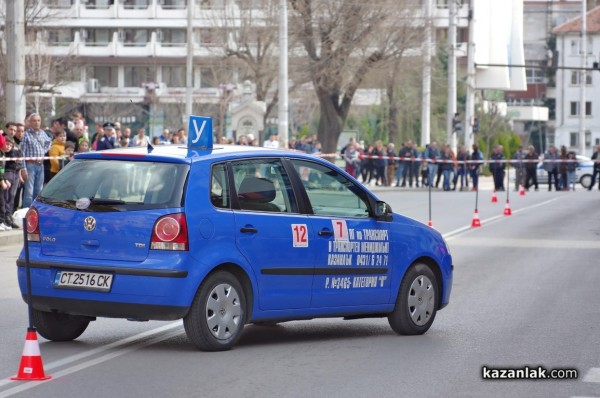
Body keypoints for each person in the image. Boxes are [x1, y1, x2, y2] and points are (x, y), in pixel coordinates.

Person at [21, 113, 53, 208]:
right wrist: (23, 168)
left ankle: (35, 211)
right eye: (34, 121)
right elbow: (22, 152)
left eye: (38, 120)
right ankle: (26, 212)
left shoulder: (43, 133)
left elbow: (49, 141)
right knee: (29, 192)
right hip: (30, 165)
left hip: (41, 165)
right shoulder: (26, 134)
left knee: (38, 191)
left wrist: (44, 150)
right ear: (30, 122)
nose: (36, 123)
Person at [2, 134, 22, 229]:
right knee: (6, 197)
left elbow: (20, 161)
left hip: (15, 174)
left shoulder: (14, 151)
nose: (9, 147)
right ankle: (4, 218)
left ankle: (9, 217)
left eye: (11, 145)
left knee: (12, 197)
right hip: (7, 174)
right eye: (7, 144)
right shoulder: (4, 153)